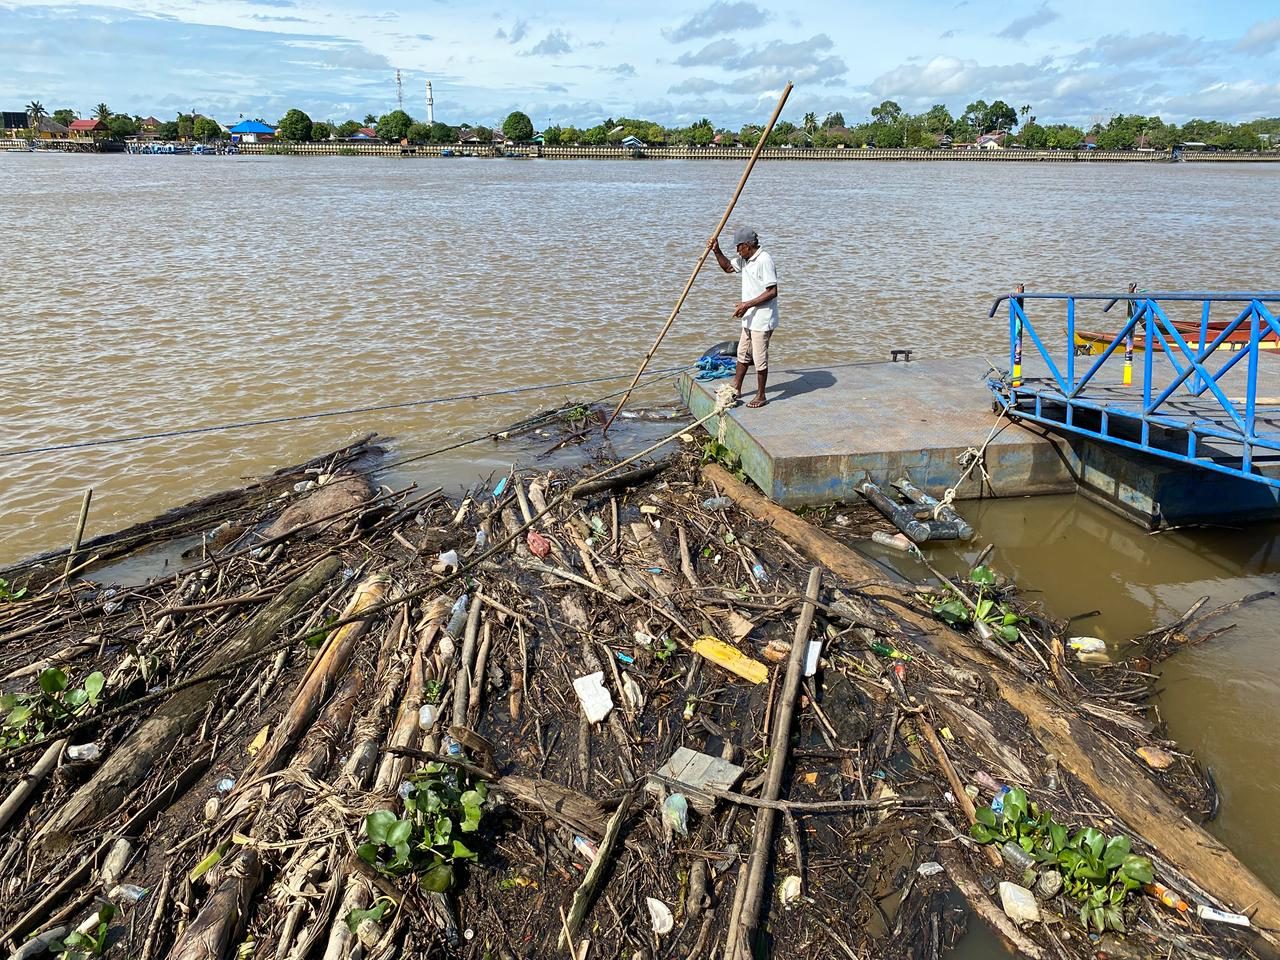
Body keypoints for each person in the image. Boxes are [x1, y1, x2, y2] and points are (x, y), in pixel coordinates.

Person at [709, 226, 779, 408]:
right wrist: (716, 251)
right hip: (749, 317)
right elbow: (727, 267)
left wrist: (746, 304)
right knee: (742, 352)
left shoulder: (764, 260)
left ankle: (761, 395)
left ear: (748, 245)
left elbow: (772, 291)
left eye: (739, 247)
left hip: (762, 319)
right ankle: (736, 387)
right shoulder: (745, 260)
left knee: (759, 357)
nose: (737, 251)